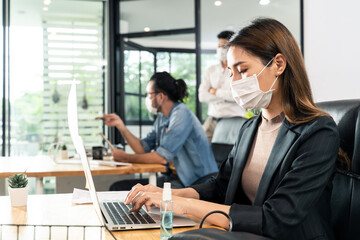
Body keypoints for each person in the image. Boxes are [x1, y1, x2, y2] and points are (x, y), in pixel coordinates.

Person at [123, 18, 345, 239]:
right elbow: (221, 187)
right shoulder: (249, 127)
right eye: (231, 73)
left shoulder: (318, 132)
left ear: (278, 64)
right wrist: (167, 194)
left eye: (242, 70)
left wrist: (181, 204)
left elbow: (276, 218)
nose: (234, 82)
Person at [97, 72, 218, 189]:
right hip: (175, 179)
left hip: (197, 182)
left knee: (139, 194)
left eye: (149, 94)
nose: (147, 99)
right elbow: (142, 149)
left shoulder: (181, 113)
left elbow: (161, 157)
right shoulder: (162, 117)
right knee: (118, 187)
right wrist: (120, 126)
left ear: (160, 96)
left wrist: (125, 157)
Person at [199, 30, 246, 142]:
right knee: (202, 151)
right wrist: (227, 95)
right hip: (212, 120)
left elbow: (239, 96)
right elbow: (202, 96)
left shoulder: (241, 70)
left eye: (224, 46)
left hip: (234, 120)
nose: (221, 49)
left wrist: (215, 91)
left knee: (229, 156)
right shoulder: (211, 70)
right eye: (219, 46)